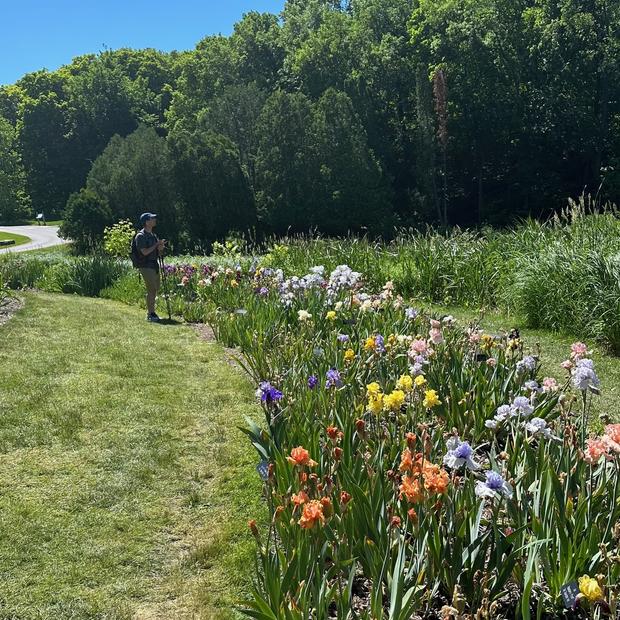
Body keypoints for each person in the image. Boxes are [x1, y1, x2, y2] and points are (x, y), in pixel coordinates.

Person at [135, 212, 165, 322]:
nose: (154, 220)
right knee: (151, 289)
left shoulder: (153, 235)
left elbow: (159, 253)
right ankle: (150, 314)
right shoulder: (141, 236)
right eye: (152, 218)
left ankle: (152, 313)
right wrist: (156, 245)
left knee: (155, 289)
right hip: (145, 265)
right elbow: (144, 252)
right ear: (147, 222)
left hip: (154, 265)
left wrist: (160, 247)